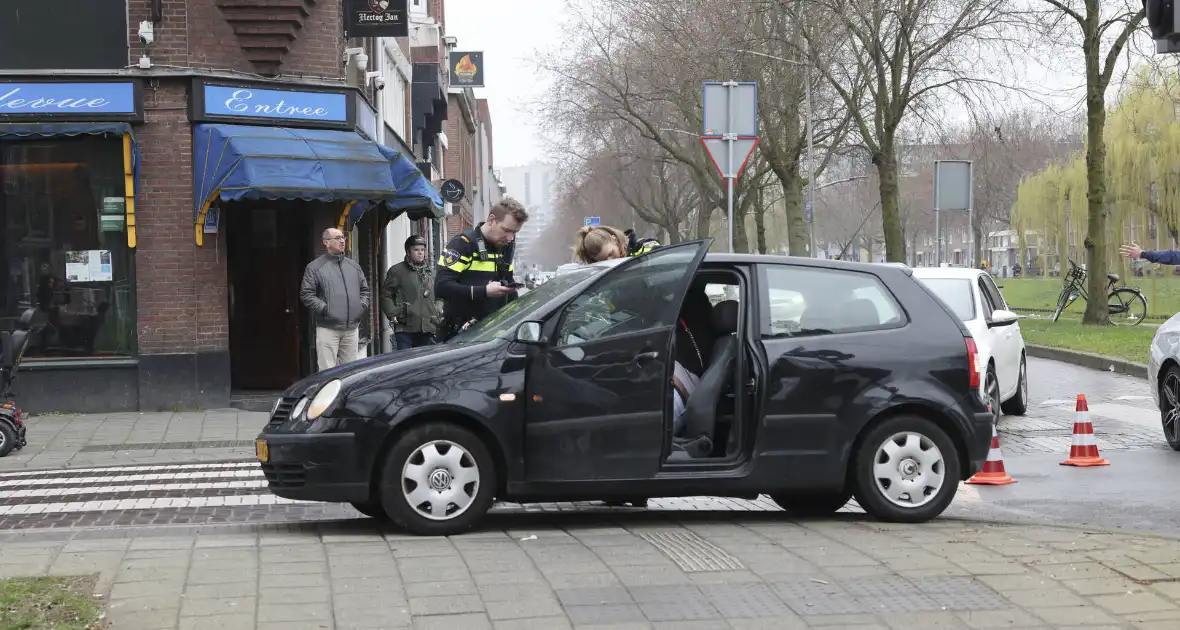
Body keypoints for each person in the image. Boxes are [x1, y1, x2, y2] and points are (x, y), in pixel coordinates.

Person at [435, 198, 529, 340]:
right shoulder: (463, 244)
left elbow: (509, 290)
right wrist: (484, 291)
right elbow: (441, 287)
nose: (510, 238)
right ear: (492, 220)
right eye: (506, 230)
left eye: (514, 233)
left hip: (492, 337)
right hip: (459, 337)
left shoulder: (505, 248)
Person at [300, 227, 370, 370]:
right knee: (327, 371)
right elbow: (307, 294)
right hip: (328, 328)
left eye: (343, 237)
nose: (342, 241)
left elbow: (365, 291)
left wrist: (360, 307)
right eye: (337, 238)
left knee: (350, 371)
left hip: (352, 328)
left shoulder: (353, 266)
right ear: (326, 242)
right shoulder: (315, 267)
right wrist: (327, 309)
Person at [380, 235, 442, 350]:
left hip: (427, 328)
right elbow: (386, 295)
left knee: (424, 363)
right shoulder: (397, 271)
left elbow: (440, 296)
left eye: (422, 250)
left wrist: (436, 310)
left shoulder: (431, 272)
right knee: (405, 362)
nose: (420, 253)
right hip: (405, 327)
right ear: (408, 252)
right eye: (416, 250)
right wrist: (394, 313)